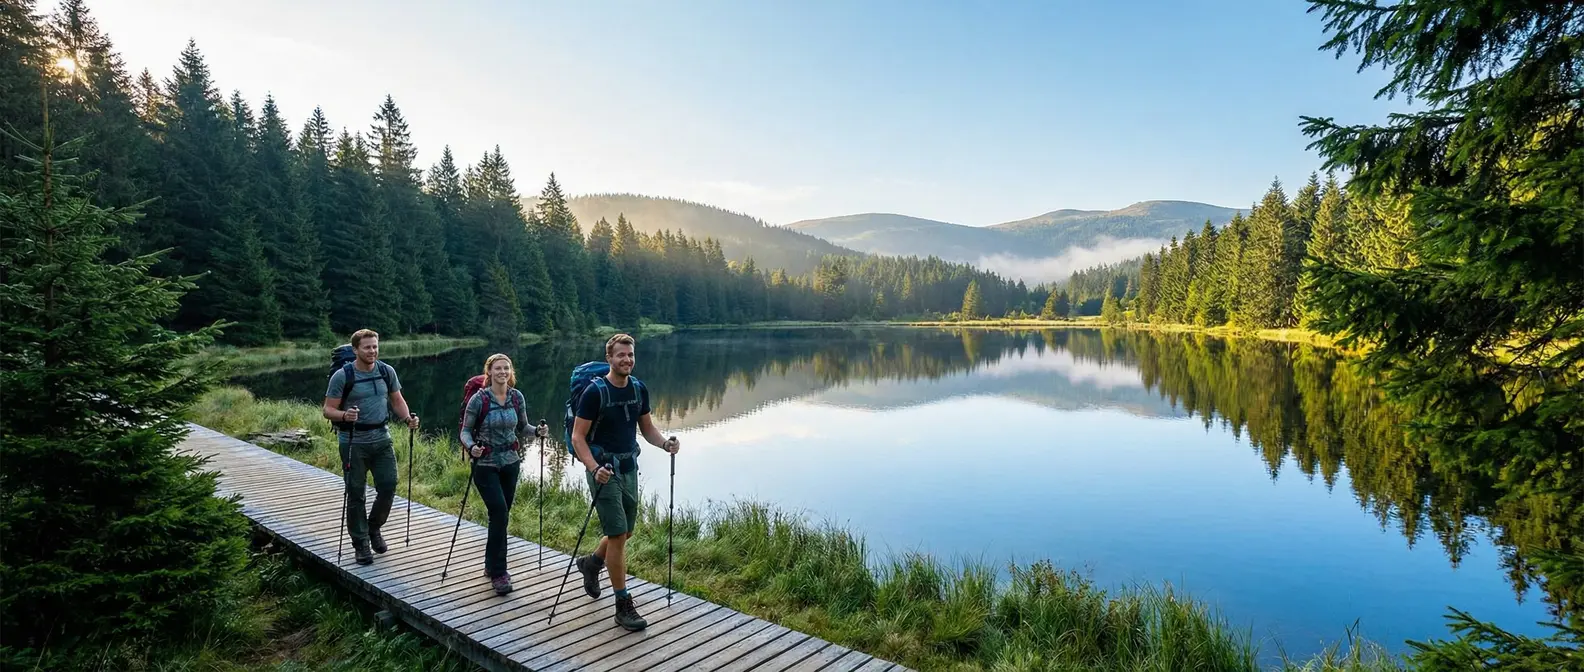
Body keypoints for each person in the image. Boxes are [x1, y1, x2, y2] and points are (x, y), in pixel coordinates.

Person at [570, 333, 680, 632]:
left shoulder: (638, 389)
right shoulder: (595, 392)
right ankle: (623, 605)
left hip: (629, 467)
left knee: (626, 531)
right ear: (609, 358)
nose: (627, 359)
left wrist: (665, 444)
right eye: (621, 355)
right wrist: (593, 468)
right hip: (603, 471)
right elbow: (578, 438)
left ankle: (592, 563)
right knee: (618, 534)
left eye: (630, 355)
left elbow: (647, 429)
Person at [321, 329, 419, 565]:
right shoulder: (343, 376)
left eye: (375, 346)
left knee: (388, 486)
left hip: (382, 438)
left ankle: (373, 528)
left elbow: (397, 400)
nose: (372, 351)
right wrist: (344, 415)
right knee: (356, 493)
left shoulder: (386, 371)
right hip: (353, 441)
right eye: (367, 347)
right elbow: (328, 410)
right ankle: (361, 543)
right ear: (356, 349)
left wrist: (408, 419)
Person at [459, 353, 547, 595]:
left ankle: (490, 564)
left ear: (511, 371)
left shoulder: (516, 397)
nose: (503, 372)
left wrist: (537, 432)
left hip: (511, 463)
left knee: (500, 516)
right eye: (498, 368)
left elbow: (523, 427)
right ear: (489, 372)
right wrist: (471, 447)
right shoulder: (479, 399)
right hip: (485, 465)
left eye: (506, 368)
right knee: (499, 513)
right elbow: (465, 431)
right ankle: (499, 573)